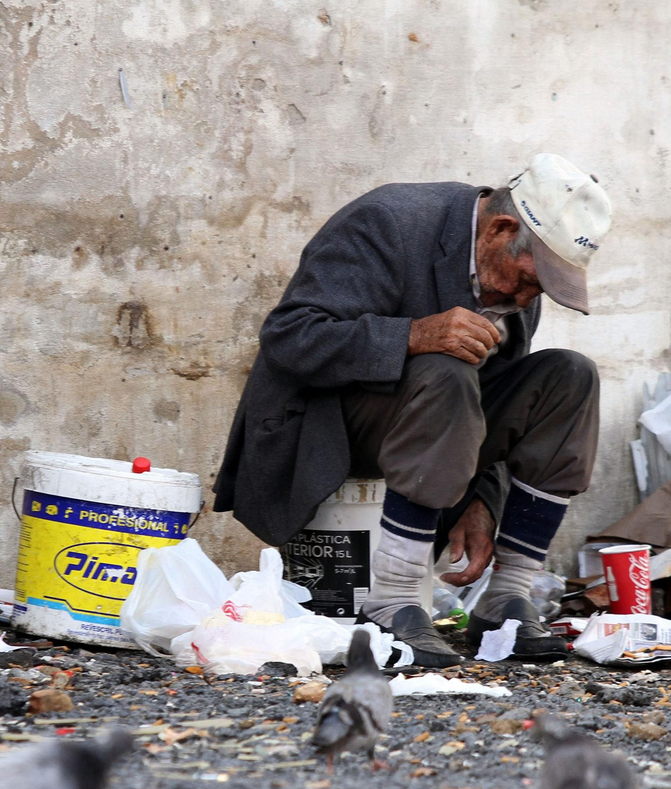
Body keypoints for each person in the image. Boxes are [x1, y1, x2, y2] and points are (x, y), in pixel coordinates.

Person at [213, 154, 610, 667]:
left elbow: (489, 402)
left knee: (569, 376)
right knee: (444, 368)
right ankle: (393, 600)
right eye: (530, 278)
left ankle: (507, 599)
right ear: (500, 229)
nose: (529, 295)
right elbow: (289, 339)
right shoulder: (389, 222)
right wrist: (414, 335)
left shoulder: (514, 279)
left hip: (427, 426)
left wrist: (482, 499)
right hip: (324, 426)